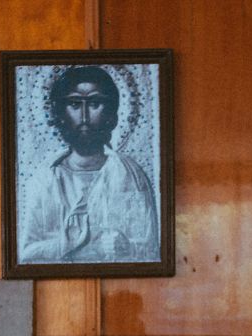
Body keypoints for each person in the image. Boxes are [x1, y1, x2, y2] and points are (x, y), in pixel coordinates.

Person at [18, 66, 159, 263]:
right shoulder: (45, 179)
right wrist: (66, 244)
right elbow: (25, 255)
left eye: (94, 104)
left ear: (112, 116)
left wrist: (125, 246)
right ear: (59, 116)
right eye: (75, 104)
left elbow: (152, 251)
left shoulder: (130, 175)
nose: (84, 117)